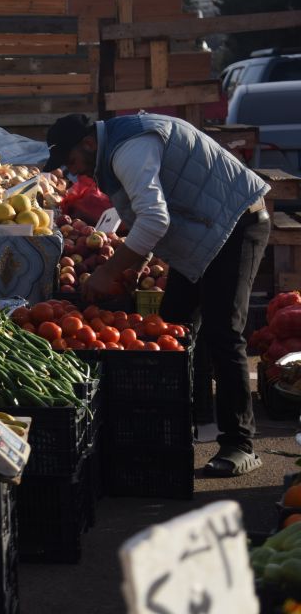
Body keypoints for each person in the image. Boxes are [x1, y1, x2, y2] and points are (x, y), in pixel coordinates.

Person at [44, 112, 271, 477]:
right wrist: (136, 264)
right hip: (205, 232)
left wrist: (109, 270)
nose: (75, 173)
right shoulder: (117, 149)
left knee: (222, 333)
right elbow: (150, 215)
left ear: (88, 143)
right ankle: (185, 426)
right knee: (173, 328)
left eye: (71, 162)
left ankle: (239, 444)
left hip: (236, 224)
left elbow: (155, 219)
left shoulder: (129, 149)